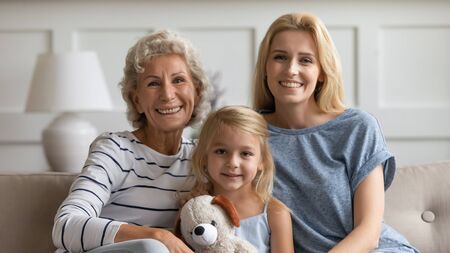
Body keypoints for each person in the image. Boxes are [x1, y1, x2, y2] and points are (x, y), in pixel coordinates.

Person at [252, 12, 420, 253]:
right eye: (280, 57)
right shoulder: (248, 133)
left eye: (306, 60)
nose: (291, 69)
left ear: (322, 72)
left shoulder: (357, 128)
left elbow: (369, 231)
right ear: (266, 67)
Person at [52, 30, 212, 253]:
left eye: (178, 80)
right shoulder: (115, 150)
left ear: (197, 91)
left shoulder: (203, 159)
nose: (167, 94)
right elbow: (65, 227)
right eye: (153, 83)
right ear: (136, 100)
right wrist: (157, 236)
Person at [187, 105, 294, 253]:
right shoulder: (195, 210)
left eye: (245, 153)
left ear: (262, 161)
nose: (233, 163)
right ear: (204, 157)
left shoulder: (275, 214)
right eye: (221, 151)